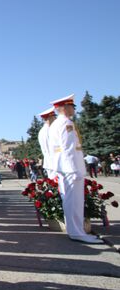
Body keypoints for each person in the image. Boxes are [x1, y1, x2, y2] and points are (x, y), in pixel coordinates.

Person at [48, 94, 102, 244]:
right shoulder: (66, 123)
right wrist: (75, 169)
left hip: (65, 166)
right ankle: (77, 232)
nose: (73, 109)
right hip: (70, 167)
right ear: (64, 108)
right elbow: (68, 149)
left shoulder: (58, 123)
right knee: (74, 201)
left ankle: (76, 231)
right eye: (71, 106)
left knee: (71, 201)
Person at [38, 107, 56, 179]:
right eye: (54, 117)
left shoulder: (46, 130)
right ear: (49, 118)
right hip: (53, 162)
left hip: (51, 161)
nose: (55, 119)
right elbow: (49, 147)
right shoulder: (47, 131)